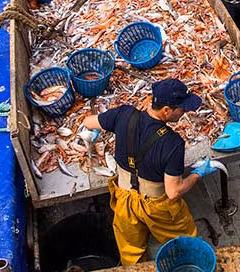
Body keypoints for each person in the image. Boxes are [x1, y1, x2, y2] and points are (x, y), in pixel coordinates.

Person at [82, 78, 219, 264]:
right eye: (182, 108)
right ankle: (185, 265)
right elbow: (173, 191)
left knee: (130, 251)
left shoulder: (124, 114)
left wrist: (95, 132)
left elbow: (88, 122)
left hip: (124, 199)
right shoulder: (172, 143)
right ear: (166, 111)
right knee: (183, 243)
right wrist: (198, 174)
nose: (185, 111)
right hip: (157, 206)